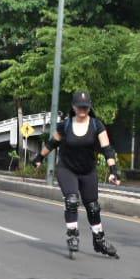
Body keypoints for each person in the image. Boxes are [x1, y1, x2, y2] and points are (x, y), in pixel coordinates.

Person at [38, 91, 122, 258]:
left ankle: (99, 240)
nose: (82, 110)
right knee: (72, 200)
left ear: (89, 107)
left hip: (88, 171)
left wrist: (114, 171)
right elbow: (52, 143)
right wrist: (39, 157)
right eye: (79, 107)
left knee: (93, 207)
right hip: (67, 169)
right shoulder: (66, 125)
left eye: (85, 107)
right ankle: (72, 235)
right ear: (74, 107)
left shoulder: (97, 125)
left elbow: (107, 149)